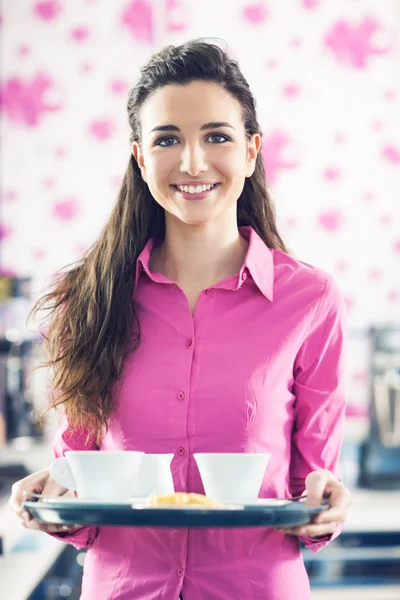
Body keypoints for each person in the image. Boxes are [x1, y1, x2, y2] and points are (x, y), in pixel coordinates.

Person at [9, 38, 351, 600]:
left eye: (217, 136)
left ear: (250, 151)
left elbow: (311, 490)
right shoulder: (85, 298)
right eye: (167, 139)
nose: (192, 163)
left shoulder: (310, 300)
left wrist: (324, 504)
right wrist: (56, 502)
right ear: (141, 157)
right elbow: (79, 481)